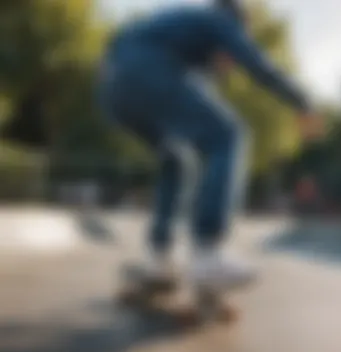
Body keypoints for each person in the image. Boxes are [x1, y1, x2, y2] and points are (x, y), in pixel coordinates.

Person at [97, 0, 320, 292]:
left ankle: (158, 257)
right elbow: (255, 62)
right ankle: (208, 251)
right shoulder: (220, 21)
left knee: (176, 159)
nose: (228, 65)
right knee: (229, 134)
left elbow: (196, 98)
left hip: (114, 90)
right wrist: (302, 102)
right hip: (149, 72)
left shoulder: (184, 33)